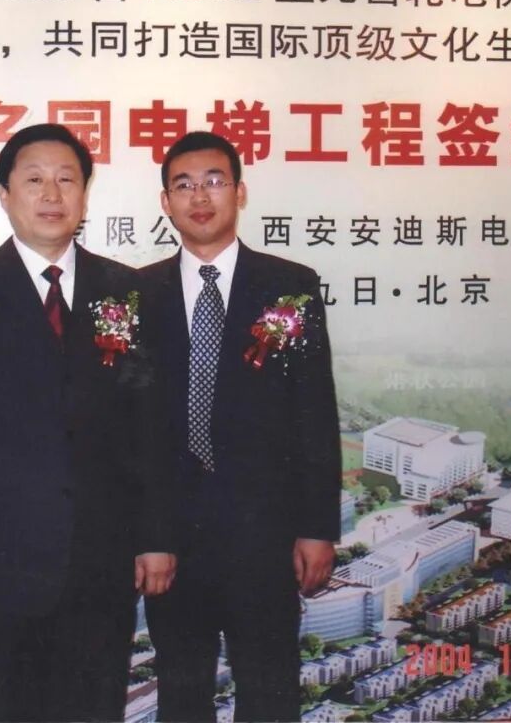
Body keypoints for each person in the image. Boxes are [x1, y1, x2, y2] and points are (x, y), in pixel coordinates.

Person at [0, 123, 177, 722]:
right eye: (34, 180)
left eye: (66, 179)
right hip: (0, 564)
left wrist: (155, 536)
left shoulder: (125, 291)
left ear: (85, 194)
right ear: (5, 194)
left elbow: (148, 427)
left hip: (103, 559)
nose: (51, 194)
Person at [141, 131, 342, 722]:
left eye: (214, 181)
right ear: (166, 202)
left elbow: (314, 412)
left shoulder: (289, 287)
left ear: (240, 192)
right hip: (172, 541)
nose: (199, 197)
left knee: (270, 689)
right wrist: (146, 534)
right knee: (181, 695)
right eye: (183, 185)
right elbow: (128, 431)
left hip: (266, 536)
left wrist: (316, 528)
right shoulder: (135, 294)